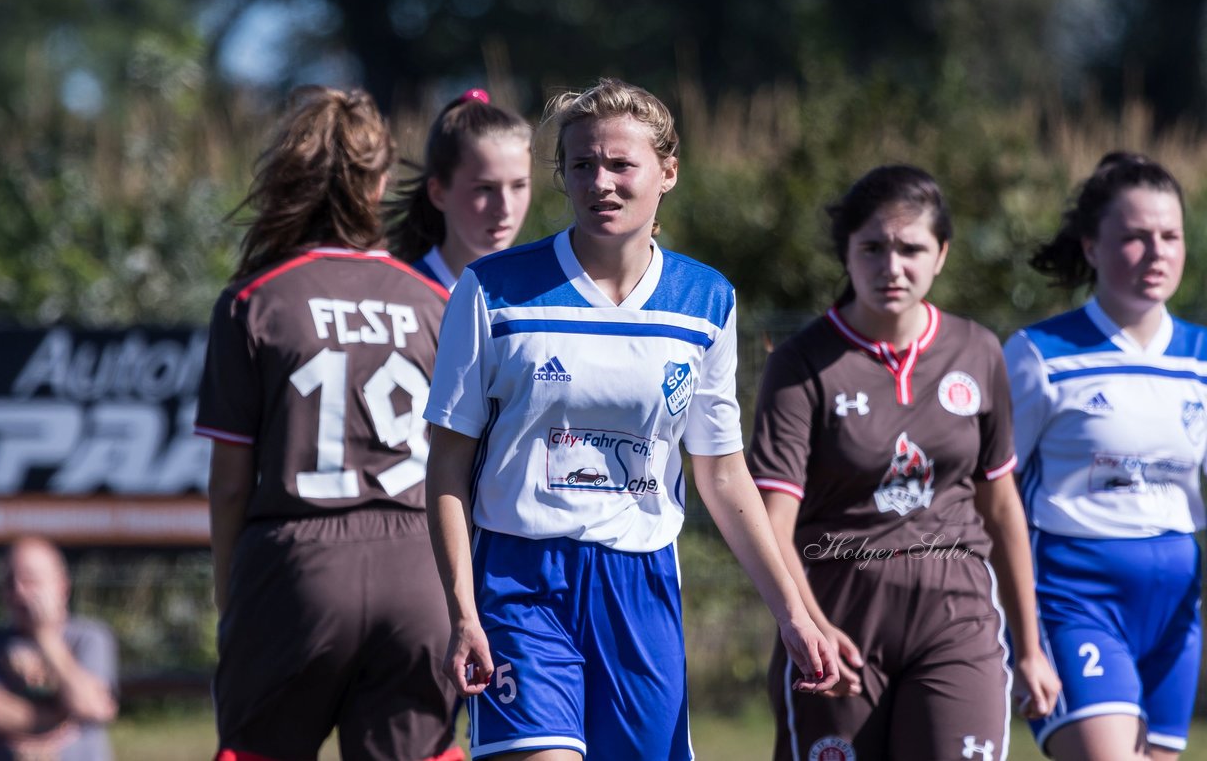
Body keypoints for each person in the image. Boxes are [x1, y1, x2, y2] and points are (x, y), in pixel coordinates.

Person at [424, 78, 837, 761]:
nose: (601, 183)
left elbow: (723, 473)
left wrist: (792, 610)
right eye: (582, 165)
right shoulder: (492, 290)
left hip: (641, 586)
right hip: (521, 583)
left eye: (621, 164)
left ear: (667, 172)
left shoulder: (704, 300)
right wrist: (463, 610)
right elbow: (446, 467)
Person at [747, 164, 1060, 761]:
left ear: (940, 254)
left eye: (911, 248)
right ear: (847, 253)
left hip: (958, 621)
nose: (892, 267)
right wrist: (809, 626)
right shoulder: (801, 363)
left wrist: (1030, 647)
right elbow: (772, 526)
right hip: (838, 620)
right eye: (872, 248)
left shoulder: (977, 350)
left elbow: (1001, 507)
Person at [193, 85, 462, 761]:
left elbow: (228, 485)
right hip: (417, 569)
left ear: (295, 175)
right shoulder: (436, 301)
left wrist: (233, 597)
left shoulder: (255, 300)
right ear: (378, 181)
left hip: (296, 567)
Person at [1004, 152, 1203, 761]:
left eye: (1170, 236)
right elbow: (992, 492)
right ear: (1091, 248)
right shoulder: (1041, 355)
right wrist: (1019, 630)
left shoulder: (1200, 359)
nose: (1157, 253)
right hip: (1073, 595)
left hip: (1175, 602)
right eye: (1135, 238)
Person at [0, 536, 118, 761]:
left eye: (30, 580)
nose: (19, 591)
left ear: (62, 586)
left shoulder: (91, 637)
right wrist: (64, 713)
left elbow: (91, 705)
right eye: (10, 582)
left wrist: (45, 636)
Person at [384, 87, 533, 291]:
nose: (505, 208)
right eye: (485, 188)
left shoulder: (533, 296)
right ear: (438, 193)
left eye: (519, 186)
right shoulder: (407, 299)